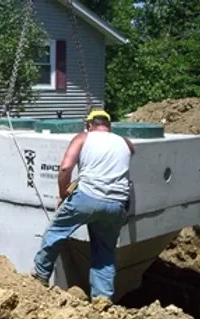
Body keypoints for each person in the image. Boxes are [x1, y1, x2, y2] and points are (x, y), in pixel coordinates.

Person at [31, 109, 134, 301]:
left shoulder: (83, 138)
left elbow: (65, 168)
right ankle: (102, 300)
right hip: (117, 204)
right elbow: (130, 153)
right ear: (109, 126)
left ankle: (40, 277)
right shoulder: (124, 142)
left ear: (88, 125)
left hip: (86, 197)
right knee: (104, 252)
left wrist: (63, 194)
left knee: (55, 233)